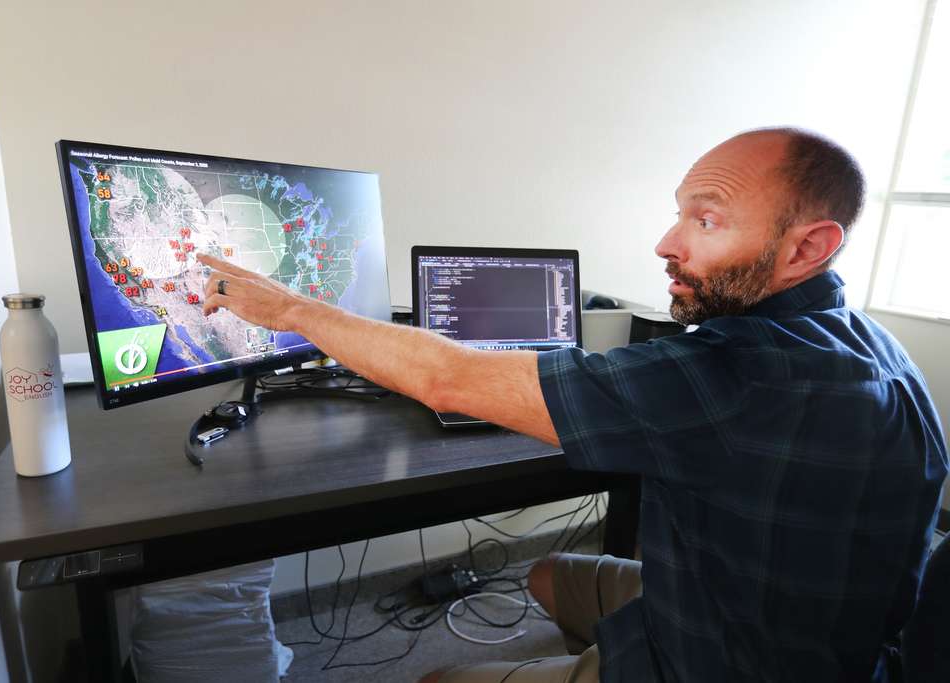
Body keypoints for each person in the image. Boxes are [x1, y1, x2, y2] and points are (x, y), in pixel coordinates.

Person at [197, 127, 948, 682]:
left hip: (721, 663)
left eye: (706, 220)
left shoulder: (745, 374)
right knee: (546, 574)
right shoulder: (866, 344)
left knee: (438, 680)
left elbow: (449, 379)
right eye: (679, 214)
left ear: (807, 248)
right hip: (802, 628)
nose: (667, 242)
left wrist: (289, 308)